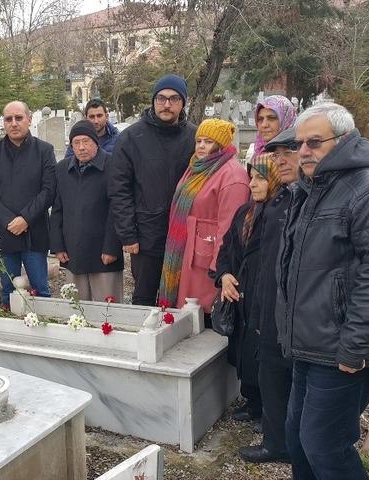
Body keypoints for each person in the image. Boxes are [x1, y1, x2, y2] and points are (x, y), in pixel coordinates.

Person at [277, 103, 369, 480]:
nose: (303, 151)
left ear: (345, 140)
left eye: (314, 142)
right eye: (299, 143)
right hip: (311, 341)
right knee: (298, 438)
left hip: (344, 348)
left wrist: (355, 346)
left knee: (325, 445)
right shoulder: (312, 188)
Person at [214, 153, 283, 458]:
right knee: (243, 348)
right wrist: (225, 275)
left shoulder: (281, 213)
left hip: (264, 293)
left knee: (261, 351)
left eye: (260, 178)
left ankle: (267, 411)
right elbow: (227, 247)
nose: (252, 183)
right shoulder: (246, 211)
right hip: (241, 290)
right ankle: (252, 401)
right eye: (251, 176)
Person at [237, 127, 299, 464]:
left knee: (280, 376)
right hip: (268, 299)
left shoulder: (288, 202)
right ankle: (278, 441)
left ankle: (281, 443)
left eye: (286, 153)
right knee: (272, 374)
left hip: (287, 305)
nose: (280, 160)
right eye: (276, 155)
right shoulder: (277, 203)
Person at [108, 74, 197, 306]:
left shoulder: (195, 137)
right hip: (146, 234)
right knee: (144, 298)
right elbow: (119, 189)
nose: (166, 104)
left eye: (174, 98)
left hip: (184, 233)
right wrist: (127, 234)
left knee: (181, 299)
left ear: (183, 102)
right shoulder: (131, 138)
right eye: (161, 98)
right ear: (153, 101)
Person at [157, 118, 249, 315]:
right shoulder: (196, 168)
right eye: (199, 141)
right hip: (184, 250)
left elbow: (229, 226)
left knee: (201, 313)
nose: (201, 146)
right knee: (186, 312)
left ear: (221, 145)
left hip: (206, 260)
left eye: (208, 141)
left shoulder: (232, 176)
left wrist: (219, 269)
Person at [0, 101, 56, 306]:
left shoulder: (44, 151)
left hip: (34, 232)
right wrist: (8, 220)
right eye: (8, 119)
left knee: (40, 291)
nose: (14, 123)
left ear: (29, 120)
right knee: (7, 291)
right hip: (5, 233)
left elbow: (48, 190)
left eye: (18, 118)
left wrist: (25, 218)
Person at [50, 120, 123, 301]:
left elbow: (118, 209)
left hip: (104, 253)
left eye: (86, 141)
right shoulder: (62, 169)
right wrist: (57, 246)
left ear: (95, 142)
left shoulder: (113, 165)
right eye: (76, 143)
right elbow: (57, 209)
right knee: (78, 311)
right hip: (73, 253)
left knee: (107, 310)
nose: (81, 147)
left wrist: (112, 247)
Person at [243, 95, 297, 165]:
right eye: (260, 119)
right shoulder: (256, 152)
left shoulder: (297, 154)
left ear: (286, 119)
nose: (264, 125)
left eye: (272, 118)